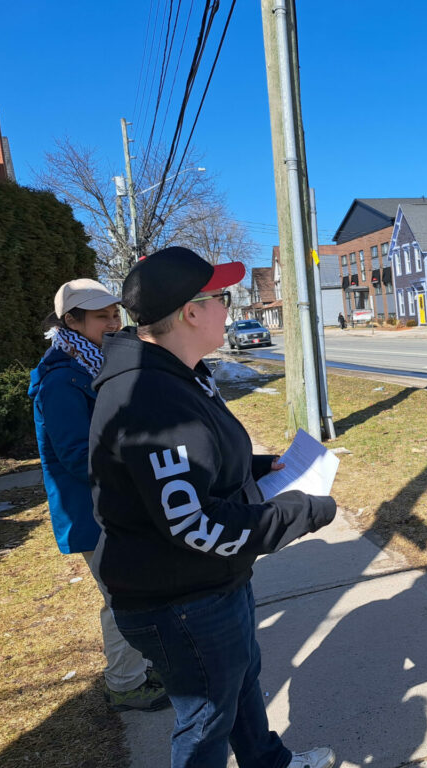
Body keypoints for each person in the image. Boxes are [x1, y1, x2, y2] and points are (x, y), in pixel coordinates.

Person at [89, 247, 338, 768]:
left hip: (208, 582)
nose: (230, 306)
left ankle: (268, 762)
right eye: (222, 298)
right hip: (179, 599)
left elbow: (189, 467)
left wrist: (257, 467)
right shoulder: (150, 398)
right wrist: (302, 512)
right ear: (191, 312)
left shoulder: (179, 373)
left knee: (241, 683)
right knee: (205, 723)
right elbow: (194, 521)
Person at [28, 279, 169, 712]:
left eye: (115, 313)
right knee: (120, 595)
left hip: (114, 502)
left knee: (135, 588)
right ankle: (124, 682)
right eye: (101, 316)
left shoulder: (93, 361)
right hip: (91, 509)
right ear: (71, 320)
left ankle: (139, 665)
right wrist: (135, 470)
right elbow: (75, 455)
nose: (113, 322)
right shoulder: (61, 378)